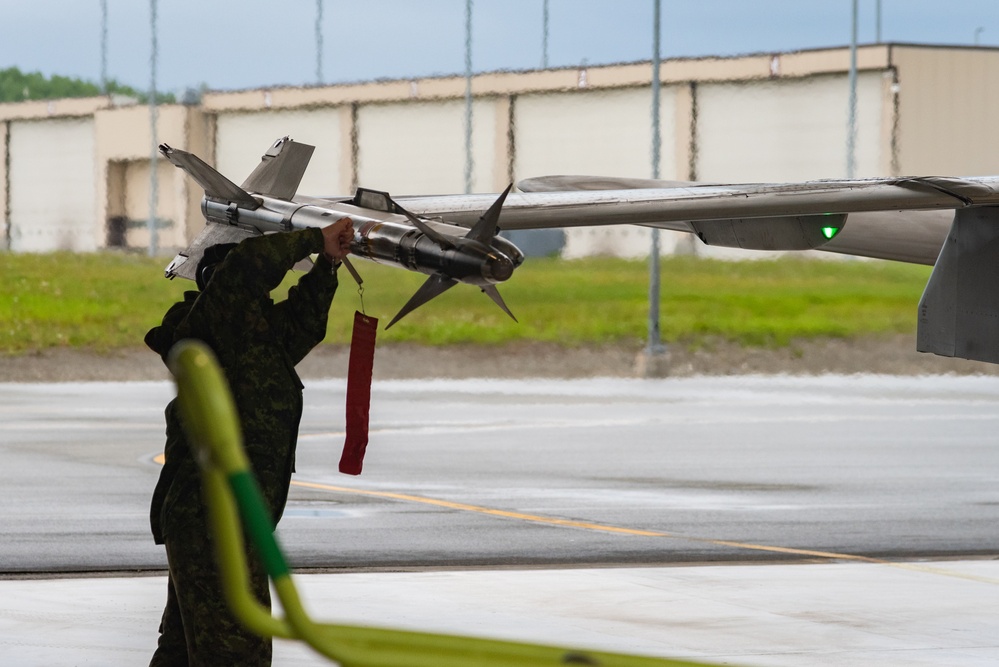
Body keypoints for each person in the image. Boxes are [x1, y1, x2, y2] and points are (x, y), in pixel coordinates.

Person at [145, 219, 353, 667]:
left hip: (227, 519)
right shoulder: (209, 328)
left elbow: (305, 322)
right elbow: (245, 268)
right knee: (238, 653)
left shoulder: (255, 339)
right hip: (215, 522)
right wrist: (314, 238)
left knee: (185, 652)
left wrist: (328, 266)